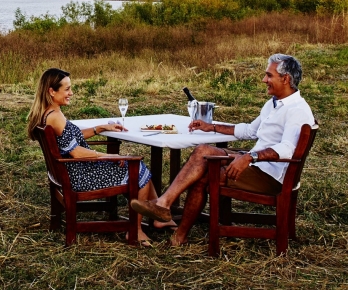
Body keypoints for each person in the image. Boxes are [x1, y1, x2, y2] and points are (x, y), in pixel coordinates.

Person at [131, 54, 314, 246]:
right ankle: (164, 205)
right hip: (257, 164)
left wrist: (249, 157)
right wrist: (211, 127)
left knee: (201, 175)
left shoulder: (297, 110)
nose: (264, 80)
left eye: (269, 75)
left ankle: (176, 231)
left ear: (285, 79)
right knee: (202, 151)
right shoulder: (274, 104)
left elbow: (287, 149)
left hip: (270, 176)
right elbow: (250, 130)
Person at [28, 68, 174, 245]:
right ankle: (135, 230)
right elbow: (76, 152)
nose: (71, 93)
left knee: (136, 168)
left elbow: (72, 137)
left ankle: (158, 214)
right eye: (67, 89)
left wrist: (101, 128)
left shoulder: (48, 113)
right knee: (138, 169)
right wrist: (110, 156)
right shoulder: (55, 116)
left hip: (71, 172)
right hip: (80, 177)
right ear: (52, 91)